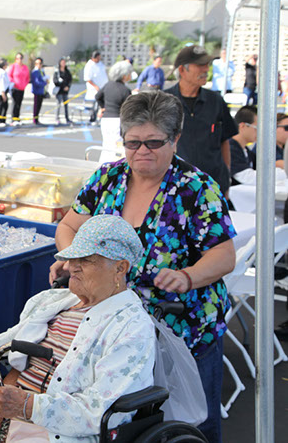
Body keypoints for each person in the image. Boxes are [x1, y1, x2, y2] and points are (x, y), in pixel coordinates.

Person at [49, 91, 236, 443]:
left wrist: (186, 276)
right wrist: (71, 259)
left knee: (196, 420)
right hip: (114, 324)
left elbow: (224, 255)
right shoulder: (108, 178)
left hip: (182, 325)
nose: (141, 152)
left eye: (154, 142)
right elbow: (69, 227)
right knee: (123, 420)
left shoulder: (196, 188)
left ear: (176, 138)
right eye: (132, 143)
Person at [0, 215, 155, 442]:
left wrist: (27, 406)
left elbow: (100, 409)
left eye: (87, 260)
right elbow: (23, 363)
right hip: (14, 420)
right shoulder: (53, 303)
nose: (73, 267)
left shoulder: (132, 327)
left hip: (64, 434)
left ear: (120, 268)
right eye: (74, 258)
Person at [165, 45, 237, 196]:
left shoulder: (216, 101)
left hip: (213, 185)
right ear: (182, 70)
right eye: (200, 65)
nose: (206, 70)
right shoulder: (164, 101)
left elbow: (224, 140)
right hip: (174, 185)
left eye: (207, 65)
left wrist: (226, 176)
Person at [96, 60, 133, 164]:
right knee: (117, 147)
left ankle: (101, 168)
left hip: (106, 120)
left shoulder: (108, 85)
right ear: (124, 75)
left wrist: (103, 107)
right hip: (118, 120)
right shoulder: (125, 90)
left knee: (106, 145)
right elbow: (129, 108)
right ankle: (114, 169)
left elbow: (97, 96)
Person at [229, 105, 257, 185]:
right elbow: (247, 178)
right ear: (243, 126)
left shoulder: (247, 151)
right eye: (257, 128)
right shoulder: (230, 149)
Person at [83, 50, 108, 123]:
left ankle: (99, 117)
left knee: (101, 104)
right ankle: (93, 117)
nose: (98, 59)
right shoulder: (89, 65)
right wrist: (95, 86)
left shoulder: (100, 64)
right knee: (96, 104)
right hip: (94, 89)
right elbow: (88, 78)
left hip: (103, 88)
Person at [7, 53, 30, 126]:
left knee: (19, 103)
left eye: (20, 58)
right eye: (17, 58)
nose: (19, 60)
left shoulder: (25, 67)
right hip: (15, 88)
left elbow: (27, 77)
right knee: (15, 103)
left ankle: (17, 118)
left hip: (22, 88)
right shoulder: (13, 66)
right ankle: (14, 118)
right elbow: (9, 76)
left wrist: (25, 84)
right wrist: (14, 82)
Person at [53, 58, 72, 125]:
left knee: (66, 105)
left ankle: (67, 118)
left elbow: (70, 80)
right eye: (62, 62)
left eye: (64, 62)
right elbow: (55, 81)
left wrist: (67, 87)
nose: (63, 64)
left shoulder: (67, 71)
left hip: (65, 91)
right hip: (59, 91)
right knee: (58, 104)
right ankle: (57, 118)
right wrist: (61, 85)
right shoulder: (57, 72)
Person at [30, 57, 48, 125]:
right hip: (37, 90)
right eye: (37, 63)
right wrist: (44, 83)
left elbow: (43, 78)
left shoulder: (41, 71)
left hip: (41, 90)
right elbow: (36, 82)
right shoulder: (35, 71)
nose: (38, 65)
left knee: (39, 105)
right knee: (36, 105)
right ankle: (35, 119)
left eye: (40, 63)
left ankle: (37, 118)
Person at [0, 58, 10, 126]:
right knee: (2, 105)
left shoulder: (1, 72)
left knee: (4, 105)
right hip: (2, 91)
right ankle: (0, 120)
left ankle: (2, 120)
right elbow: (2, 83)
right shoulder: (2, 72)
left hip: (2, 91)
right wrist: (3, 93)